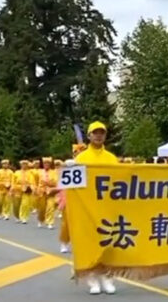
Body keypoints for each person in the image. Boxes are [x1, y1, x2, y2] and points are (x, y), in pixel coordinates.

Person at [72, 121, 119, 295]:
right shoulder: (81, 158)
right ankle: (92, 278)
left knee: (109, 242)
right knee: (90, 243)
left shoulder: (111, 158)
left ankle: (107, 277)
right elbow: (73, 185)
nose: (98, 136)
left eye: (102, 133)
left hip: (107, 206)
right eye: (95, 133)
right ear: (89, 136)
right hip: (86, 207)